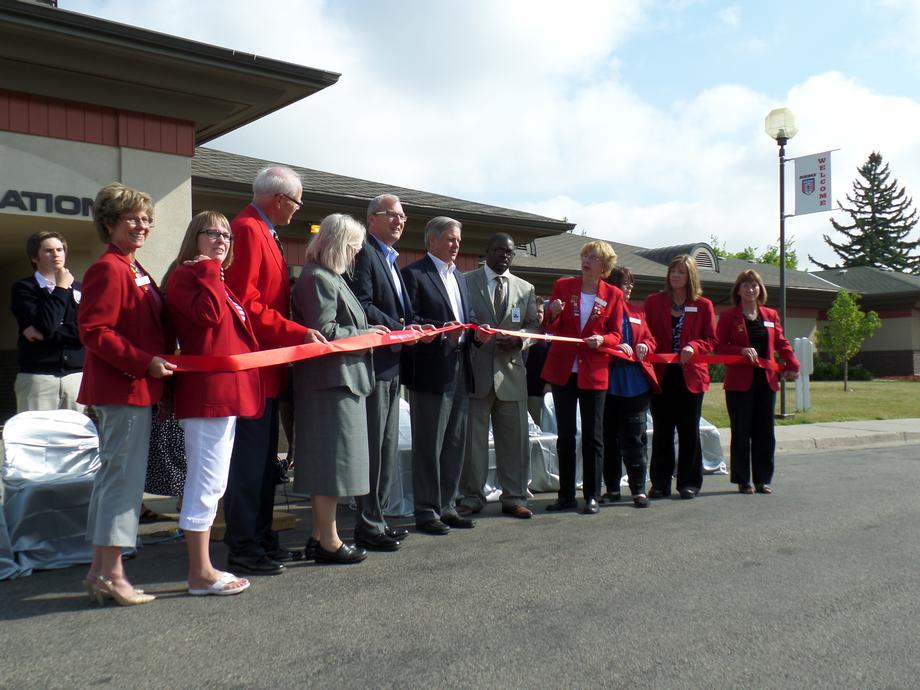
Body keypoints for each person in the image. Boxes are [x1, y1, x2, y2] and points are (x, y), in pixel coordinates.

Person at [222, 165, 326, 576]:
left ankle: (262, 537)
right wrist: (297, 332)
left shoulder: (264, 231)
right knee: (249, 464)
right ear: (280, 199)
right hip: (254, 367)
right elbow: (247, 303)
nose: (298, 212)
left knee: (265, 462)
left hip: (268, 368)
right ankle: (245, 545)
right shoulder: (247, 230)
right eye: (297, 202)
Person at [78, 182, 176, 606]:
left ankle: (100, 572)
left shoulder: (133, 267)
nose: (143, 225)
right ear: (109, 222)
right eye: (132, 218)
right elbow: (95, 331)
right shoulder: (110, 268)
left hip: (134, 389)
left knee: (116, 481)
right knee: (122, 484)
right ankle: (114, 575)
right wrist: (145, 362)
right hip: (123, 389)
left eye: (147, 219)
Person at [165, 211, 263, 596]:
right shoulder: (187, 275)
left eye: (226, 235)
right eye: (212, 233)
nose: (222, 239)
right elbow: (206, 319)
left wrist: (213, 273)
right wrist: (207, 269)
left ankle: (203, 568)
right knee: (205, 483)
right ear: (195, 236)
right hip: (206, 395)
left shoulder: (217, 280)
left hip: (226, 395)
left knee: (215, 481)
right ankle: (200, 572)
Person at [293, 213, 387, 564]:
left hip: (340, 382)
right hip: (330, 384)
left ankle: (320, 536)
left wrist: (367, 330)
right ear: (338, 245)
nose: (355, 255)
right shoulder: (318, 278)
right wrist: (367, 336)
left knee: (335, 464)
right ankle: (329, 541)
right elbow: (325, 333)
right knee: (330, 465)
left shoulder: (329, 277)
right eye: (353, 248)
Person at [344, 193, 429, 551]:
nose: (399, 221)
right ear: (371, 219)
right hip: (375, 365)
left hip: (394, 365)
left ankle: (377, 519)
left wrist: (425, 327)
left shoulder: (391, 260)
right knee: (375, 448)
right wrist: (399, 329)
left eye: (403, 217)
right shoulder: (365, 253)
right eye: (392, 215)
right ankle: (367, 524)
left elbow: (401, 315)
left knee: (388, 446)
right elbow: (362, 307)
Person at [401, 216, 475, 535]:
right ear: (431, 241)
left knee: (455, 442)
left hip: (460, 367)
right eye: (449, 239)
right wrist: (441, 333)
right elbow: (408, 319)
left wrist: (476, 333)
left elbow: (467, 317)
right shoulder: (414, 275)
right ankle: (426, 509)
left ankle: (447, 505)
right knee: (429, 444)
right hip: (430, 369)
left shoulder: (460, 278)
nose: (456, 244)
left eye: (458, 239)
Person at [459, 232, 540, 519]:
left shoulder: (526, 288)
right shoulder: (466, 281)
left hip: (511, 376)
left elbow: (534, 327)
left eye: (509, 252)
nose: (504, 256)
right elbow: (460, 320)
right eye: (498, 250)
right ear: (487, 251)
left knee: (515, 441)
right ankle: (472, 496)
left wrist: (521, 340)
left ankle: (515, 496)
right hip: (477, 374)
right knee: (473, 444)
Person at [540, 240, 624, 515]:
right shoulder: (564, 286)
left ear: (604, 266)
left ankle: (592, 495)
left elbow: (616, 335)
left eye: (593, 257)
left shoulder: (613, 294)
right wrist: (552, 314)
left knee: (593, 436)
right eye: (585, 255)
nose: (586, 260)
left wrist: (602, 339)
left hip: (593, 372)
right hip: (564, 369)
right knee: (565, 435)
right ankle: (565, 495)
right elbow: (550, 328)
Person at [716, 269, 800, 495]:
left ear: (760, 289)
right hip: (739, 384)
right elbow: (719, 346)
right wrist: (740, 350)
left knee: (765, 432)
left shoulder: (770, 316)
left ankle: (763, 479)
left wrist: (793, 363)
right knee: (741, 432)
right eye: (745, 285)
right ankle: (743, 480)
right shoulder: (728, 316)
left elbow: (781, 342)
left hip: (766, 382)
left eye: (754, 285)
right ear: (738, 290)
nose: (750, 289)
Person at [644, 254, 716, 500]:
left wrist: (694, 346)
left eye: (681, 272)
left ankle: (689, 482)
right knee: (662, 431)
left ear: (690, 276)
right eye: (673, 271)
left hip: (691, 376)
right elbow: (646, 333)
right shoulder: (654, 302)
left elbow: (711, 340)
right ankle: (660, 483)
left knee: (689, 431)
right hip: (662, 375)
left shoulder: (703, 305)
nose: (675, 275)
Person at [601, 267, 658, 508]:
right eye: (626, 283)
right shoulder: (600, 310)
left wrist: (645, 344)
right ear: (613, 285)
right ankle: (612, 489)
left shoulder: (637, 311)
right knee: (608, 439)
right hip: (607, 382)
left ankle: (638, 489)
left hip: (635, 384)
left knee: (635, 438)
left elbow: (651, 339)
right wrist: (615, 348)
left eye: (631, 284)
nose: (630, 288)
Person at [11, 231, 84, 413]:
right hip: (38, 378)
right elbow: (47, 324)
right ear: (35, 258)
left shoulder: (81, 288)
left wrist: (47, 333)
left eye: (60, 250)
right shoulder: (24, 288)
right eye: (49, 251)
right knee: (35, 439)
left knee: (72, 439)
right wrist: (61, 288)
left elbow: (86, 330)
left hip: (75, 377)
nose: (56, 254)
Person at [524, 297, 550, 430]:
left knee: (534, 427)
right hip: (519, 388)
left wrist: (548, 383)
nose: (537, 315)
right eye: (534, 312)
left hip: (538, 390)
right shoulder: (521, 332)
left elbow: (551, 361)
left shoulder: (549, 335)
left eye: (540, 312)